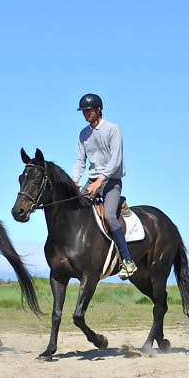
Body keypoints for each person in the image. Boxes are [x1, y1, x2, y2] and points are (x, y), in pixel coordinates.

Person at [73, 93, 136, 279]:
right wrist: (75, 180)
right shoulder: (83, 134)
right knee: (75, 209)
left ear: (98, 110)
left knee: (109, 215)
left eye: (88, 111)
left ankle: (128, 261)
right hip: (92, 182)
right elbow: (80, 160)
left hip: (111, 181)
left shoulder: (112, 129)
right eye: (83, 111)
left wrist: (100, 181)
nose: (85, 114)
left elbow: (116, 161)